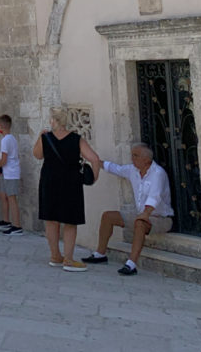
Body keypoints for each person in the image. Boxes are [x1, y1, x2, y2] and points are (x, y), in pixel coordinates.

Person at [82, 143, 176, 275]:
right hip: (141, 214)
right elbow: (116, 169)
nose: (132, 158)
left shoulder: (158, 173)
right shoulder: (133, 170)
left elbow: (154, 197)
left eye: (135, 156)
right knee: (108, 216)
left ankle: (131, 264)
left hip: (160, 218)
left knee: (140, 223)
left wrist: (145, 214)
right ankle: (100, 254)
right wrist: (96, 162)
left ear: (146, 159)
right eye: (132, 155)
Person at [33, 106, 102, 271]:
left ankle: (55, 255)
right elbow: (95, 159)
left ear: (54, 121)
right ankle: (69, 259)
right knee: (70, 221)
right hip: (70, 182)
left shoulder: (46, 138)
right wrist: (94, 177)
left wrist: (39, 137)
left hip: (49, 181)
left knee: (52, 220)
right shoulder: (76, 139)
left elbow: (37, 155)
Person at [0, 114, 23, 235]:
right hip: (7, 173)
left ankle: (17, 226)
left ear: (1, 126)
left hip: (11, 173)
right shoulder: (11, 138)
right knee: (3, 195)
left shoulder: (6, 140)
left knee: (11, 198)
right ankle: (6, 221)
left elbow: (4, 158)